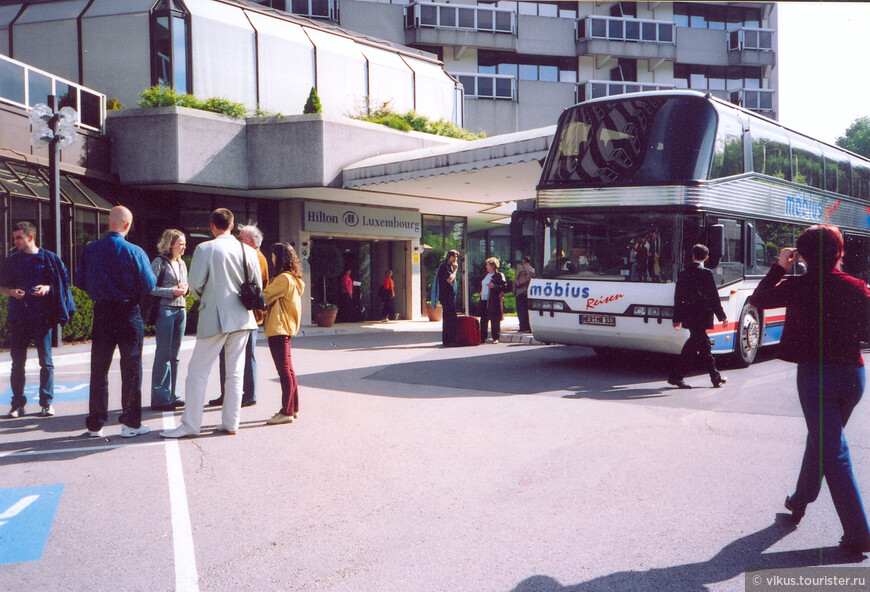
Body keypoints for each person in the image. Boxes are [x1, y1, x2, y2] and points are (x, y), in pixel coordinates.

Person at [748, 224, 870, 553]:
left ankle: (860, 533)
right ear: (840, 252)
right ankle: (800, 500)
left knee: (835, 452)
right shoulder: (857, 286)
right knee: (824, 441)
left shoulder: (796, 286)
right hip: (853, 375)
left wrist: (780, 266)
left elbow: (757, 300)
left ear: (801, 255)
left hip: (816, 377)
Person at [161, 208, 261, 438]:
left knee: (197, 371)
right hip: (243, 317)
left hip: (215, 315)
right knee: (235, 373)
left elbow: (194, 284)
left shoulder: (205, 248)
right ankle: (230, 423)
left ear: (212, 226)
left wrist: (206, 297)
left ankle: (191, 424)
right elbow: (256, 283)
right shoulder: (248, 250)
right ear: (233, 225)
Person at [76, 206, 157, 438]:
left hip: (102, 312)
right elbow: (149, 285)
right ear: (127, 225)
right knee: (131, 368)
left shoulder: (91, 249)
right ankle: (131, 423)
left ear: (108, 222)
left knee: (99, 368)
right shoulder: (134, 250)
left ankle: (95, 424)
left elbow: (80, 281)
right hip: (128, 312)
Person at [1, 221, 75, 418]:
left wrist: (47, 288)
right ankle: (17, 404)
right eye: (14, 237)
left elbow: (62, 284)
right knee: (17, 363)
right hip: (19, 318)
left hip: (43, 318)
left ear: (30, 237)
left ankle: (47, 402)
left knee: (46, 362)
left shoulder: (49, 258)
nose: (15, 241)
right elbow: (2, 287)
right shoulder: (12, 260)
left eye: (19, 237)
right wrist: (11, 292)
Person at [210, 223, 269, 408]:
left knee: (246, 355)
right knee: (230, 354)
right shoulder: (247, 255)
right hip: (242, 312)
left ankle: (249, 394)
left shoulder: (256, 257)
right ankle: (228, 393)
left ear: (251, 241)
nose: (237, 241)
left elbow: (255, 287)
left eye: (241, 238)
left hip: (248, 313)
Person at [667, 244, 728, 389]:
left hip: (689, 316)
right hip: (702, 316)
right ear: (706, 258)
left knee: (701, 345)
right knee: (699, 344)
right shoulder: (707, 273)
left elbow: (678, 298)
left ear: (692, 256)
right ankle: (677, 376)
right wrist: (722, 316)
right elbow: (714, 297)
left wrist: (677, 319)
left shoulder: (683, 273)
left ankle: (714, 377)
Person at [262, 243, 305, 425]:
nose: (271, 259)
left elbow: (264, 296)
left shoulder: (283, 279)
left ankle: (286, 411)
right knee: (289, 369)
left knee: (284, 370)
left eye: (273, 255)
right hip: (286, 328)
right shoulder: (294, 279)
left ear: (278, 258)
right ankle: (293, 408)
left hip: (278, 327)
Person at [150, 229, 189, 412]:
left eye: (184, 244)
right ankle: (160, 398)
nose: (183, 247)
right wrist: (172, 291)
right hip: (165, 309)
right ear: (170, 244)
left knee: (176, 355)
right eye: (180, 243)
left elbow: (186, 286)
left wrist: (184, 289)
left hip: (181, 309)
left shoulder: (181, 263)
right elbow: (150, 287)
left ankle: (174, 395)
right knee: (164, 354)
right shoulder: (159, 262)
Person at [432, 250, 459, 347]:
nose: (455, 259)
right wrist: (455, 270)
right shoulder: (445, 267)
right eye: (453, 257)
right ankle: (450, 340)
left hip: (449, 296)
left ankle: (448, 340)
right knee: (450, 318)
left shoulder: (448, 267)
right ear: (449, 257)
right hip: (446, 296)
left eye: (456, 257)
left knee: (449, 317)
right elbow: (449, 279)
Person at [479, 257, 507, 344]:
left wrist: (494, 286)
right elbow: (483, 285)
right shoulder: (485, 275)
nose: (486, 267)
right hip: (484, 299)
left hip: (493, 300)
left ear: (492, 266)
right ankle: (483, 337)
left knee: (494, 319)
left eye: (487, 265)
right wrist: (481, 291)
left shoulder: (499, 275)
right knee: (483, 318)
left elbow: (504, 287)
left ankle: (496, 337)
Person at [514, 256, 535, 333]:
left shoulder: (519, 269)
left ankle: (522, 326)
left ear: (523, 261)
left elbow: (515, 280)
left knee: (520, 310)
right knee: (527, 310)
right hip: (528, 292)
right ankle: (529, 326)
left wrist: (515, 291)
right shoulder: (532, 270)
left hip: (520, 291)